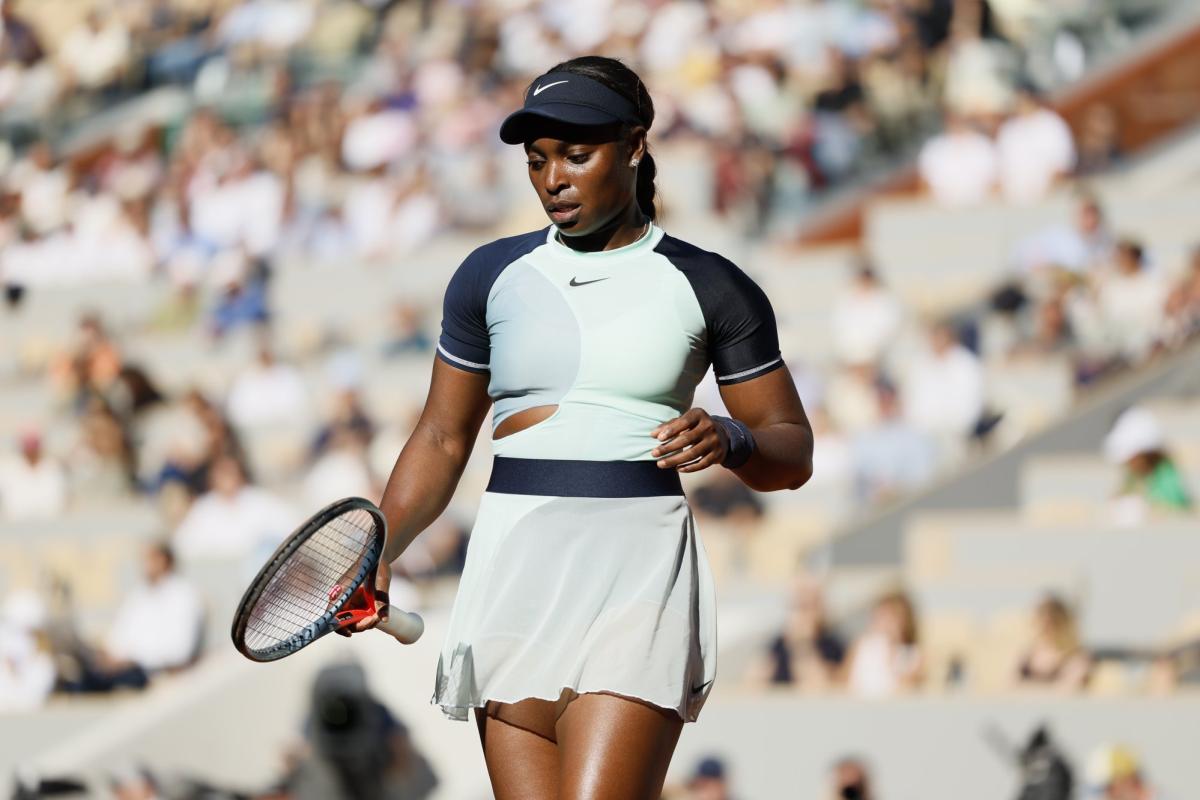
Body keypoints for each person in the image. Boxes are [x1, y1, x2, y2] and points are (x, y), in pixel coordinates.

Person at [341, 56, 814, 800]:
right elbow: (441, 438)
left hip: (637, 579)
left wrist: (732, 438)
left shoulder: (711, 283)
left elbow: (792, 450)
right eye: (537, 160)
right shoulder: (487, 275)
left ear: (634, 146)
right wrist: (381, 545)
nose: (552, 178)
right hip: (510, 575)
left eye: (576, 155)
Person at [746, 576, 845, 690]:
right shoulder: (777, 644)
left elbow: (818, 685)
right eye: (796, 606)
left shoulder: (832, 646)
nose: (800, 614)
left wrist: (802, 644)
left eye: (806, 606)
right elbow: (753, 683)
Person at [1103, 406, 1192, 527]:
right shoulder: (1133, 477)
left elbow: (1175, 508)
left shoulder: (1165, 476)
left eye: (1132, 459)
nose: (1129, 465)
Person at [845, 589, 924, 697]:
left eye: (891, 619)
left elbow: (905, 688)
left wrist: (890, 648)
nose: (885, 624)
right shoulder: (861, 646)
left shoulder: (913, 656)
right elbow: (842, 681)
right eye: (881, 617)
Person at [1011, 594, 1092, 692]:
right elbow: (1011, 686)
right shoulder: (1028, 656)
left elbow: (1069, 690)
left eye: (1052, 623)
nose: (1046, 629)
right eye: (1042, 622)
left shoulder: (1076, 658)